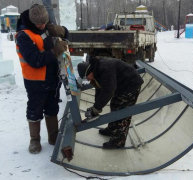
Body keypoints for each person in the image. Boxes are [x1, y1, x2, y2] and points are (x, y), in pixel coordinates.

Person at [16, 4, 68, 154]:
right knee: (35, 109)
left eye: (45, 22)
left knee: (52, 107)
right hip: (35, 81)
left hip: (52, 77)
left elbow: (65, 36)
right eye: (39, 23)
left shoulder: (45, 27)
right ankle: (34, 140)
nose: (43, 25)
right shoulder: (23, 36)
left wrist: (62, 31)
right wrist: (54, 51)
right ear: (32, 21)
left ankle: (53, 136)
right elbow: (35, 60)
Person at [77, 56, 143, 149]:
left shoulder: (104, 69)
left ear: (89, 72)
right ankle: (112, 129)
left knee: (122, 112)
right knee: (114, 105)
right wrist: (95, 107)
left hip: (131, 85)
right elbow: (100, 88)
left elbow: (108, 91)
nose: (87, 80)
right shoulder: (96, 69)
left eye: (86, 77)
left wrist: (96, 109)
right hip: (121, 85)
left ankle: (118, 141)